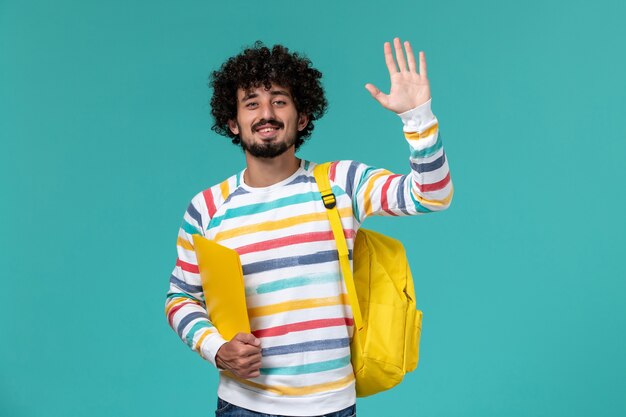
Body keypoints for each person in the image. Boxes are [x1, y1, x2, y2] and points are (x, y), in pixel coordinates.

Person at [165, 37, 453, 417]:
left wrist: (418, 117)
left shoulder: (341, 182)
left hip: (331, 406)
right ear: (233, 123)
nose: (266, 112)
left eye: (279, 100)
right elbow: (180, 297)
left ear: (301, 117)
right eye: (251, 103)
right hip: (243, 406)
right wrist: (216, 348)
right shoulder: (207, 207)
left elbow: (430, 195)